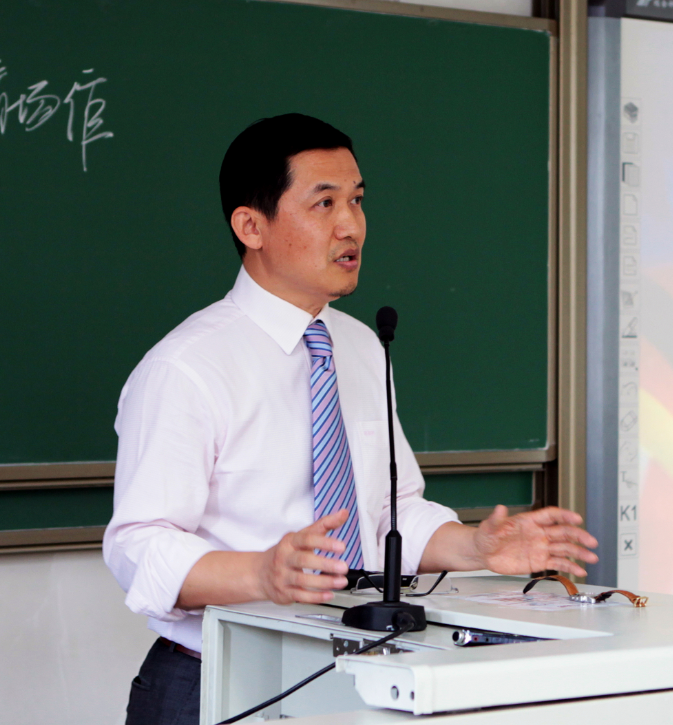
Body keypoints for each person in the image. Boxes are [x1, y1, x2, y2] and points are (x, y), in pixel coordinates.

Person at [103, 113, 598, 725]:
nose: (351, 225)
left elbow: (390, 513)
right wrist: (262, 572)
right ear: (251, 226)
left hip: (348, 671)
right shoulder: (187, 366)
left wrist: (475, 546)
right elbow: (136, 545)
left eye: (357, 200)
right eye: (324, 203)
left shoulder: (362, 346)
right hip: (215, 678)